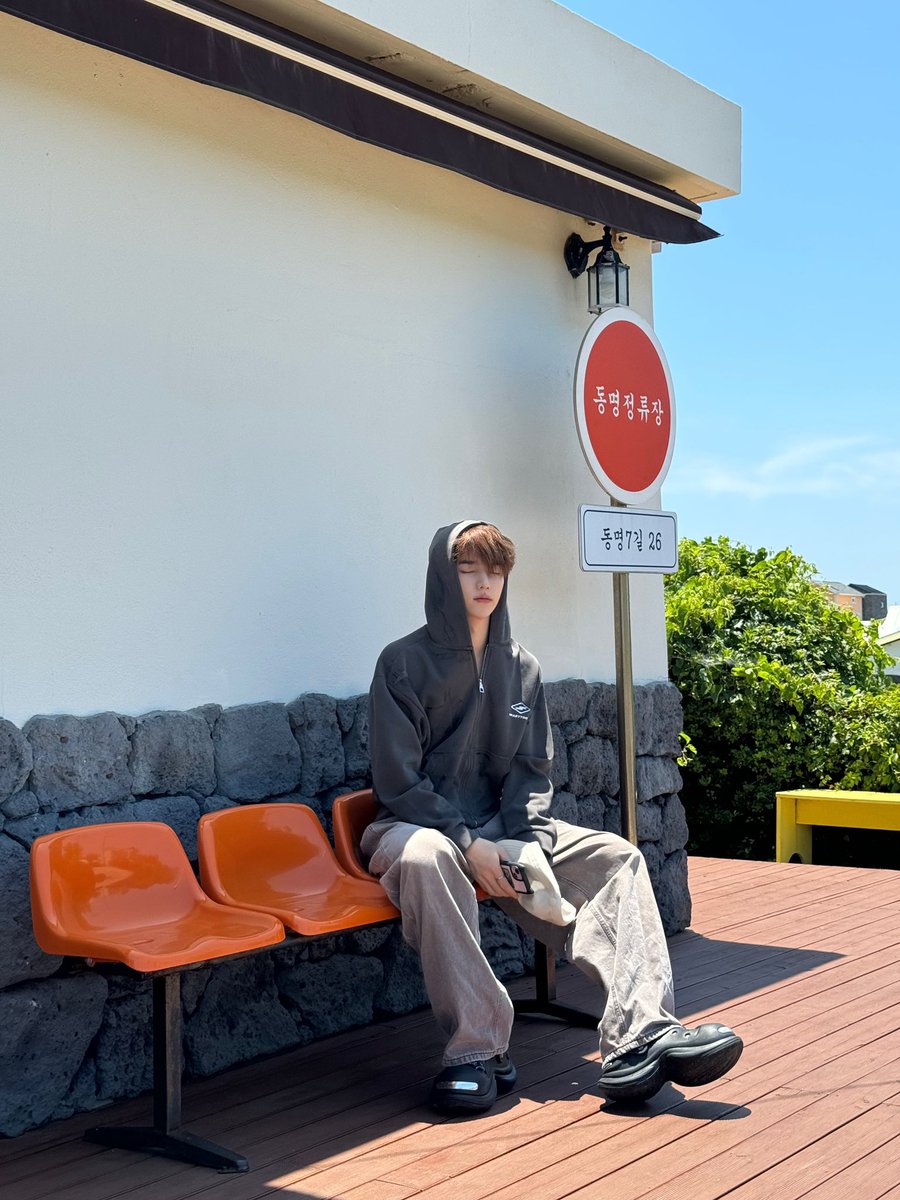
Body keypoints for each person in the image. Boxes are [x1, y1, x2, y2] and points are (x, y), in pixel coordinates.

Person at [362, 520, 742, 1114]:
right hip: (415, 826)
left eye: (495, 570)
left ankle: (640, 1035)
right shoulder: (403, 663)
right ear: (443, 576)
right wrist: (466, 843)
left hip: (502, 827)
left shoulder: (523, 668)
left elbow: (530, 775)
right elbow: (397, 779)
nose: (484, 582)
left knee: (619, 857)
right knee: (429, 855)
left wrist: (529, 843)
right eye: (468, 569)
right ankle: (476, 1048)